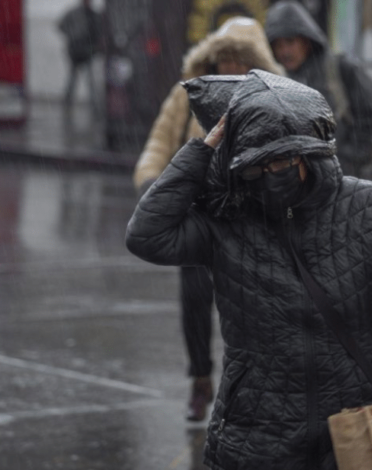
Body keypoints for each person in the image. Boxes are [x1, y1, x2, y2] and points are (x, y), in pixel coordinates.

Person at [125, 70, 372, 470]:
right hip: (257, 430)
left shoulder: (367, 205)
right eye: (258, 166)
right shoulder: (228, 217)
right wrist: (203, 150)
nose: (272, 175)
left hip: (359, 422)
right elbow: (146, 235)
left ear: (308, 153)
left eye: (283, 160)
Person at [131, 17, 283, 422]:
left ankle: (251, 390)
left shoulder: (272, 97)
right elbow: (160, 141)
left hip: (251, 218)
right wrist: (152, 183)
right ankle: (200, 379)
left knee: (254, 307)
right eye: (223, 58)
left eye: (239, 59)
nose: (230, 67)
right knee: (195, 302)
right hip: (199, 213)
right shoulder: (187, 93)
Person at [265, 0, 372, 178]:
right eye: (278, 45)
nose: (285, 51)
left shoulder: (340, 69)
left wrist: (347, 162)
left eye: (290, 42)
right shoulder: (269, 81)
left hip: (343, 183)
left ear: (306, 40)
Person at [58, 0, 102, 107]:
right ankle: (68, 101)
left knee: (90, 78)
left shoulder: (93, 15)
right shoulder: (74, 13)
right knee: (73, 78)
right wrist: (72, 35)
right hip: (76, 50)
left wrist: (96, 45)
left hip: (88, 51)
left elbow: (98, 31)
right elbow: (61, 25)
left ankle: (93, 102)